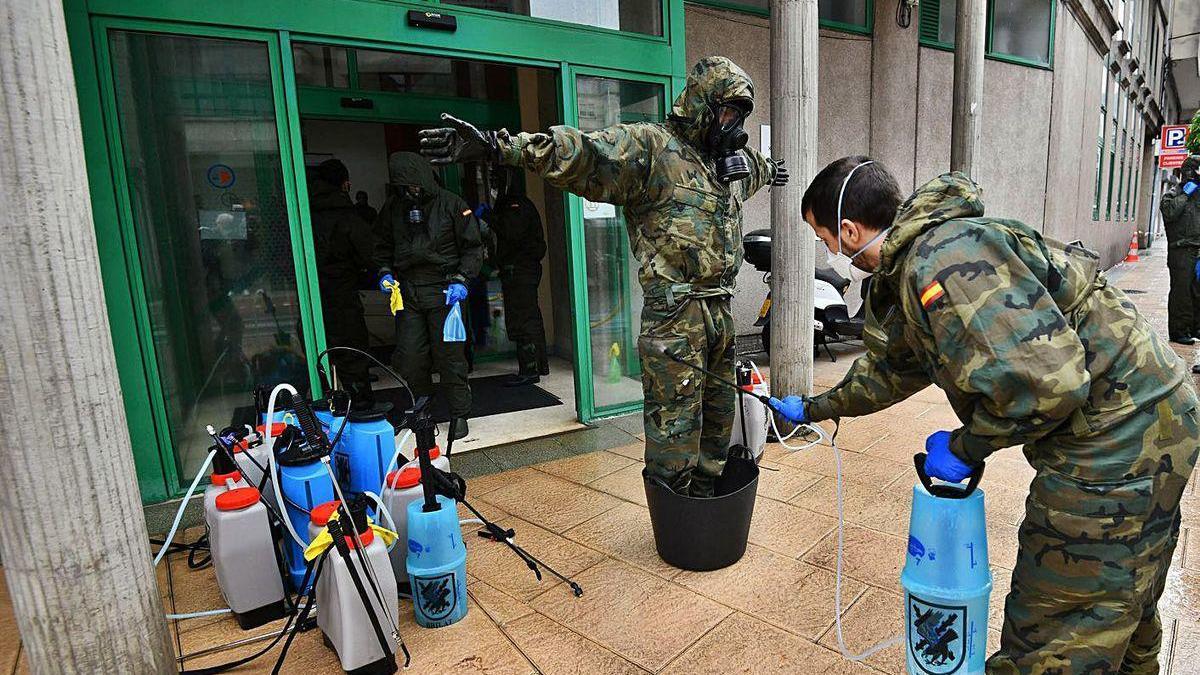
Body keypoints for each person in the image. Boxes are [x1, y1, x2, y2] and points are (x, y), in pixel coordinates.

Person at [770, 156, 1198, 672]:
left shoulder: (940, 263)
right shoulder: (927, 252)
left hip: (1116, 442)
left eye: (825, 239)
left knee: (1055, 635)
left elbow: (1050, 386)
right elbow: (890, 372)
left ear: (848, 228)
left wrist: (965, 447)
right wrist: (813, 408)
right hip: (1153, 418)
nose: (831, 252)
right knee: (1122, 600)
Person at [418, 56, 788, 496]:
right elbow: (585, 153)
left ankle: (707, 504)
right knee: (675, 426)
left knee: (719, 414)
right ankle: (675, 514)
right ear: (704, 105)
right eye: (727, 112)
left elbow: (753, 171)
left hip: (720, 309)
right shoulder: (652, 149)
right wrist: (503, 147)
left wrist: (769, 170)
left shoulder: (725, 164)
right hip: (676, 316)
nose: (732, 125)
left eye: (739, 116)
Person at [374, 152, 483, 440]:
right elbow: (382, 246)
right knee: (411, 358)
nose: (411, 191)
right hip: (408, 292)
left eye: (413, 185)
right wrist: (384, 272)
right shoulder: (394, 208)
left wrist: (462, 279)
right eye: (404, 187)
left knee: (450, 357)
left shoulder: (451, 205)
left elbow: (473, 247)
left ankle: (459, 412)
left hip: (445, 290)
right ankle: (421, 410)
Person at [309, 159, 376, 408]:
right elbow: (368, 254)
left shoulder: (305, 212)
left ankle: (318, 409)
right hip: (342, 294)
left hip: (310, 297)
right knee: (352, 354)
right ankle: (359, 407)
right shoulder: (347, 215)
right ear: (344, 183)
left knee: (316, 353)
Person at [487, 173, 549, 386]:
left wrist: (490, 218)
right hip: (522, 270)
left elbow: (512, 233)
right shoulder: (519, 204)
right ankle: (539, 365)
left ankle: (530, 370)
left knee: (522, 320)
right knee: (530, 317)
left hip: (520, 271)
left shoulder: (516, 205)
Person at [1161, 154, 1200, 345]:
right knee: (1181, 293)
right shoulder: (1173, 194)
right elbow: (1170, 213)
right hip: (1181, 251)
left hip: (1197, 251)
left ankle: (1195, 327)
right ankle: (1179, 332)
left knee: (1196, 292)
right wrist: (1186, 194)